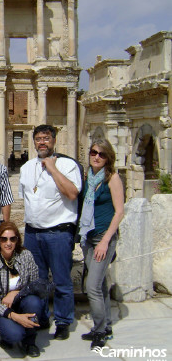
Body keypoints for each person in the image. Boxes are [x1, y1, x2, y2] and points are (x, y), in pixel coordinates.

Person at [18, 124, 82, 340]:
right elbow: (26, 197)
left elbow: (72, 193)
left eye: (46, 138)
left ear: (54, 141)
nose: (42, 142)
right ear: (34, 142)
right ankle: (42, 317)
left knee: (62, 280)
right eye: (38, 139)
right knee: (37, 280)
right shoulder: (27, 167)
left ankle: (63, 321)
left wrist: (52, 168)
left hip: (58, 232)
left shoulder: (67, 164)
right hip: (33, 233)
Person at [79, 139, 124, 349]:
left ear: (108, 158)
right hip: (89, 237)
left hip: (103, 238)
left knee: (92, 287)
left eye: (101, 154)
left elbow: (119, 211)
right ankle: (106, 326)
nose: (96, 156)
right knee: (101, 285)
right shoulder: (89, 177)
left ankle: (98, 330)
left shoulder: (112, 177)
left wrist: (105, 241)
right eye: (93, 152)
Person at [0, 222, 45, 357]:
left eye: (12, 239)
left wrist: (16, 293)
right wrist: (15, 317)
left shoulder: (26, 255)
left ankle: (30, 342)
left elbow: (36, 285)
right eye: (4, 239)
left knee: (34, 302)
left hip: (22, 303)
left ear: (17, 240)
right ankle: (7, 336)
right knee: (16, 335)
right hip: (1, 310)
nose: (8, 243)